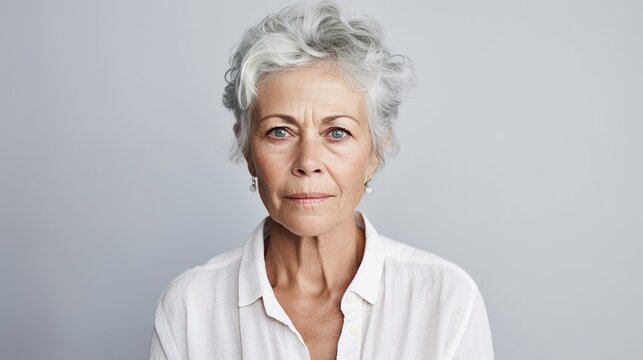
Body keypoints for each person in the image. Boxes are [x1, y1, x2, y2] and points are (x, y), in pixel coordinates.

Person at [149, 1, 494, 359]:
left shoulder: (447, 300)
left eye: (337, 132)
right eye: (280, 132)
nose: (308, 162)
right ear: (247, 150)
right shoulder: (189, 308)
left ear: (376, 150)